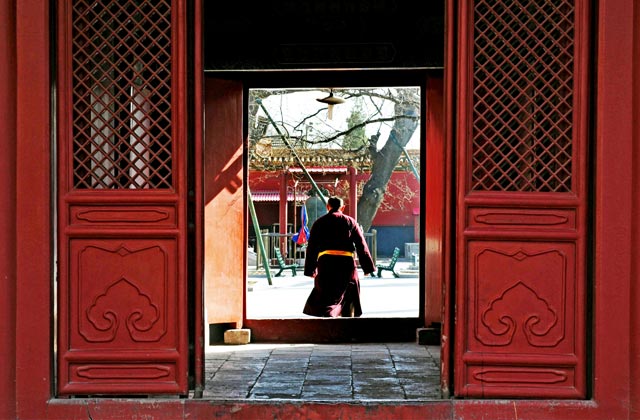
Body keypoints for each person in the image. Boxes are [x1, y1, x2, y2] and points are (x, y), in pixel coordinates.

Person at [302, 196, 376, 317]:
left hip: (326, 263)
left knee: (327, 293)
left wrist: (310, 270)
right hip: (346, 263)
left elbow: (312, 248)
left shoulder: (319, 223)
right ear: (342, 207)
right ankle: (347, 317)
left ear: (328, 207)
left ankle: (328, 316)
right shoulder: (350, 221)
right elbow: (361, 245)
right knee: (348, 290)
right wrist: (367, 267)